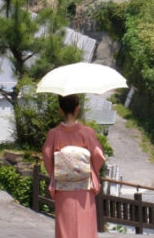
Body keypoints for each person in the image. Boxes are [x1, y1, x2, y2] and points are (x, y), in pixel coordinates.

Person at [42, 94, 105, 238]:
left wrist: (56, 174)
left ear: (60, 110)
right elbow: (98, 155)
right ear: (77, 109)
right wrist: (89, 172)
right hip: (84, 187)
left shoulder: (54, 134)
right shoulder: (87, 132)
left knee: (65, 226)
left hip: (63, 187)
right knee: (85, 226)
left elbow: (46, 155)